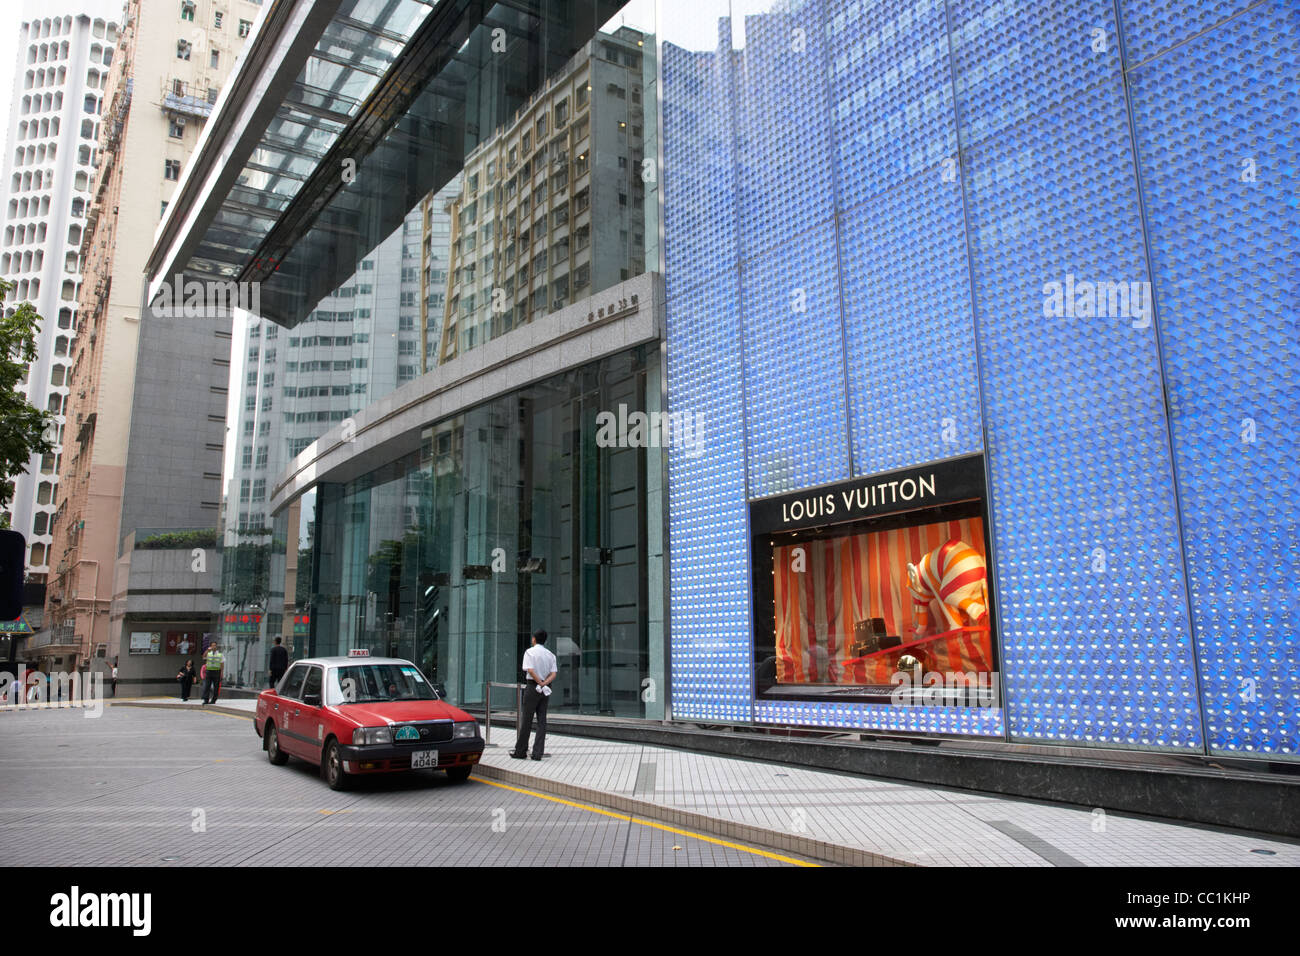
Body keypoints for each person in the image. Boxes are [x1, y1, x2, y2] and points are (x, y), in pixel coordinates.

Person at [511, 629, 557, 761]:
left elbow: (530, 670)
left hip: (532, 686)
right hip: (546, 688)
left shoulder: (529, 652)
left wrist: (539, 683)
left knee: (527, 719)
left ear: (534, 639)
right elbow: (553, 674)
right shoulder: (550, 655)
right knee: (542, 720)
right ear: (545, 640)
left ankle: (521, 751)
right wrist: (544, 684)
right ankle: (537, 753)